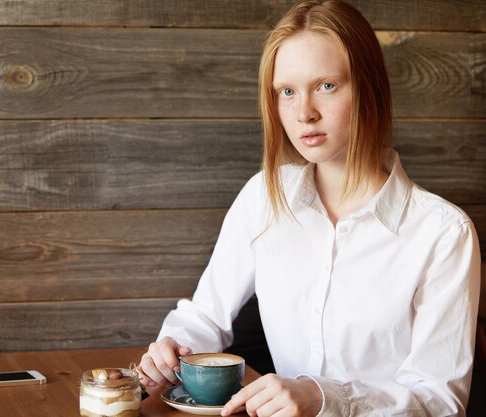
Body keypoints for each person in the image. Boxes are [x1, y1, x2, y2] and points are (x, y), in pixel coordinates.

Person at [137, 0, 481, 416]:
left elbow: (441, 402)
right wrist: (173, 345)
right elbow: (206, 317)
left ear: (370, 87)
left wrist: (322, 397)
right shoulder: (264, 197)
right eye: (287, 92)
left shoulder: (444, 233)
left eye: (327, 86)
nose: (304, 113)